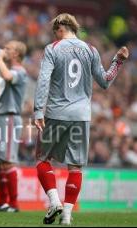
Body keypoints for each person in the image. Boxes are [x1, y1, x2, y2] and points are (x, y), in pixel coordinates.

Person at [33, 13, 129, 225]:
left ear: (60, 28)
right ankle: (67, 214)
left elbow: (43, 81)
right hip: (81, 115)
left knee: (42, 159)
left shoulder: (53, 48)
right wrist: (117, 62)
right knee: (75, 167)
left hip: (56, 112)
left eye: (54, 30)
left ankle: (54, 201)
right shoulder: (91, 50)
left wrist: (38, 110)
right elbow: (105, 81)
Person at [0, 41, 28, 212]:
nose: (4, 50)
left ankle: (14, 203)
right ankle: (2, 201)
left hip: (10, 118)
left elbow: (7, 77)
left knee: (7, 161)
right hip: (0, 117)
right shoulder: (10, 69)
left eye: (8, 49)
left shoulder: (20, 71)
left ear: (17, 54)